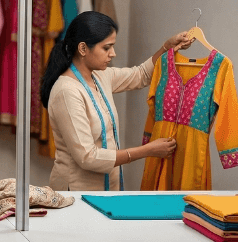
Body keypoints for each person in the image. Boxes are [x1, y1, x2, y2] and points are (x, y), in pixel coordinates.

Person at [40, 11, 192, 191]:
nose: (113, 53)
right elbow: (87, 157)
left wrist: (166, 47)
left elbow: (141, 74)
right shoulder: (67, 91)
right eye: (107, 47)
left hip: (107, 188)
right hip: (75, 194)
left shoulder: (99, 76)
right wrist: (147, 151)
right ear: (82, 49)